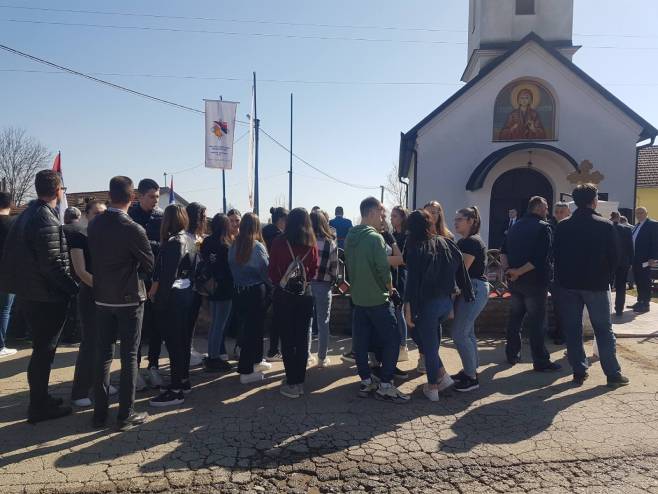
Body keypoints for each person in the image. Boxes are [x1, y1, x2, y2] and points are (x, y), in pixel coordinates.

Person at [0, 170, 78, 423]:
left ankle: (41, 398)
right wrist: (72, 288)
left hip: (31, 293)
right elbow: (52, 264)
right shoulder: (44, 218)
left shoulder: (28, 214)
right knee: (44, 351)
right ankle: (38, 406)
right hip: (46, 297)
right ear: (58, 190)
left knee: (42, 351)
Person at [89, 176, 154, 430]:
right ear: (132, 197)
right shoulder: (133, 228)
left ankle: (99, 413)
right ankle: (126, 414)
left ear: (110, 194)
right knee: (129, 355)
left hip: (102, 297)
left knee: (102, 354)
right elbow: (150, 263)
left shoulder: (95, 224)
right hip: (128, 299)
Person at [554, 184, 628, 388]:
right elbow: (615, 257)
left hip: (568, 284)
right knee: (603, 329)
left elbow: (556, 256)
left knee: (572, 328)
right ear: (594, 200)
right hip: (596, 284)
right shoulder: (605, 225)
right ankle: (612, 374)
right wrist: (608, 279)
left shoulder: (563, 225)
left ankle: (578, 371)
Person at [344, 197, 409, 404]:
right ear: (372, 213)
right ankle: (386, 385)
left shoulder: (349, 236)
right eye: (381, 214)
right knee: (392, 339)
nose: (383, 219)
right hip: (378, 299)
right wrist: (391, 289)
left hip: (359, 299)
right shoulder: (375, 238)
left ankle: (366, 380)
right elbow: (383, 269)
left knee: (361, 343)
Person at [404, 209, 473, 401]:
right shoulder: (446, 242)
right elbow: (459, 268)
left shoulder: (416, 248)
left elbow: (412, 283)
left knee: (429, 345)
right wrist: (460, 296)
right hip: (445, 303)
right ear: (429, 225)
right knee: (429, 341)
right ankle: (443, 376)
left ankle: (433, 387)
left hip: (427, 305)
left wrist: (408, 309)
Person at [501, 196, 560, 372]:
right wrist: (518, 272)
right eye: (546, 208)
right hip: (535, 282)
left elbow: (503, 251)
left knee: (515, 318)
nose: (548, 211)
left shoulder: (515, 225)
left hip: (515, 281)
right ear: (540, 208)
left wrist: (508, 271)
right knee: (537, 322)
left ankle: (512, 354)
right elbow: (541, 258)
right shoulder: (544, 228)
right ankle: (541, 360)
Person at [269, 208, 318, 398]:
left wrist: (283, 281)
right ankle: (299, 380)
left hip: (284, 296)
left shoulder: (279, 242)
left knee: (287, 339)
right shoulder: (311, 243)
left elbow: (272, 271)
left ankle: (291, 381)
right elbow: (313, 271)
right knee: (302, 338)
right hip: (305, 294)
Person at [149, 204, 195, 406]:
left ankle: (176, 390)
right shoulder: (190, 239)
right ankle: (183, 380)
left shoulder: (173, 243)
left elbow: (167, 277)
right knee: (182, 341)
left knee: (175, 344)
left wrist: (158, 302)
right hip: (185, 294)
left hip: (172, 297)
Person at [68, 200, 111, 407]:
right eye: (96, 213)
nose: (100, 216)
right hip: (90, 294)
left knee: (105, 341)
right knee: (90, 343)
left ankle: (100, 383)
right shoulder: (79, 236)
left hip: (108, 295)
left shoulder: (107, 236)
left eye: (104, 213)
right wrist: (103, 287)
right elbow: (80, 271)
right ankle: (80, 391)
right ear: (86, 215)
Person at [128, 178, 163, 390]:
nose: (155, 201)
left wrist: (146, 246)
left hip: (157, 279)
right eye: (151, 197)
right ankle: (136, 371)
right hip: (136, 279)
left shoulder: (161, 217)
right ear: (139, 196)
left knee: (157, 326)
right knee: (137, 330)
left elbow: (165, 246)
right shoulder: (130, 217)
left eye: (157, 197)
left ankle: (154, 366)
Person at [228, 212, 271, 384]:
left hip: (238, 291)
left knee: (247, 329)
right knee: (253, 331)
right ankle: (246, 371)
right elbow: (267, 272)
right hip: (255, 292)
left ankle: (256, 361)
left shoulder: (233, 245)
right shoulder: (257, 246)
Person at [451, 206, 489, 392]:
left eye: (459, 219)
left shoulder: (470, 242)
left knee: (459, 334)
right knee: (469, 333)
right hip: (475, 288)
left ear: (471, 221)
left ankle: (471, 378)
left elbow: (461, 270)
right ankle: (471, 370)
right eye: (455, 219)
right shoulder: (469, 241)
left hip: (472, 288)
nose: (455, 222)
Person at [200, 213, 233, 372]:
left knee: (214, 323)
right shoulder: (226, 245)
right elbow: (229, 268)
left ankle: (212, 355)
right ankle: (214, 358)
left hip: (210, 286)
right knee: (220, 324)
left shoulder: (206, 242)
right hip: (225, 288)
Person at [308, 210, 338, 368]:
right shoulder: (329, 242)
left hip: (307, 285)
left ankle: (306, 355)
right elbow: (335, 268)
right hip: (324, 285)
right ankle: (322, 357)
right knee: (323, 322)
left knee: (307, 321)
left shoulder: (305, 241)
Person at [263, 206, 288, 360]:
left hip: (267, 278)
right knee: (277, 318)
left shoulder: (265, 232)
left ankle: (272, 349)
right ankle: (273, 350)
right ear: (281, 220)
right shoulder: (278, 237)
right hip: (276, 280)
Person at [185, 202, 207, 366]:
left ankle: (189, 348)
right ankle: (186, 351)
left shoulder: (199, 237)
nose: (205, 220)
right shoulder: (186, 237)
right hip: (187, 286)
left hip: (197, 284)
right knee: (187, 320)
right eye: (204, 216)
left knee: (192, 319)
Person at [629, 207, 658, 313]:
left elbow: (656, 241)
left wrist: (654, 257)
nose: (639, 215)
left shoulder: (653, 224)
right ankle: (640, 301)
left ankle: (645, 303)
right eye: (637, 213)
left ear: (646, 213)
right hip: (636, 258)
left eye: (641, 212)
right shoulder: (636, 226)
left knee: (645, 280)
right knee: (638, 280)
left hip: (646, 259)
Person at [389, 206, 409, 361]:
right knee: (395, 311)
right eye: (391, 216)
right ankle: (398, 344)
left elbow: (403, 259)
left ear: (402, 217)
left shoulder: (406, 236)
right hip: (393, 274)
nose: (391, 218)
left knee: (398, 310)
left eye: (395, 216)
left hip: (402, 275)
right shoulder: (393, 235)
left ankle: (403, 346)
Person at [0, 191, 17, 357]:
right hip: (7, 273)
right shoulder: (14, 224)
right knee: (5, 309)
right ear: (10, 204)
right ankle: (1, 345)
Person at [610, 211, 634, 316]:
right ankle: (619, 309)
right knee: (621, 286)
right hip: (623, 262)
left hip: (608, 262)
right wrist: (631, 262)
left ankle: (605, 307)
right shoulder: (627, 230)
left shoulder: (606, 228)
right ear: (619, 218)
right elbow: (630, 247)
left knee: (605, 285)